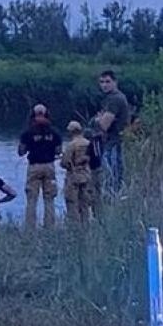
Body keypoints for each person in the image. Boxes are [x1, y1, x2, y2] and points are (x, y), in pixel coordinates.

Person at [17, 103, 60, 228]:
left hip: (34, 167)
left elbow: (21, 152)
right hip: (49, 166)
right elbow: (58, 151)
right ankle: (50, 227)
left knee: (32, 199)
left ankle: (30, 228)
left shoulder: (28, 132)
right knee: (49, 199)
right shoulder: (54, 132)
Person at [93, 69, 132, 197]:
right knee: (112, 177)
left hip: (113, 143)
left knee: (111, 179)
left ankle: (111, 202)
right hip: (113, 142)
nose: (104, 85)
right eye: (102, 82)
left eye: (108, 82)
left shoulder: (115, 99)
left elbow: (104, 125)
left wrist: (98, 119)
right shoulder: (112, 98)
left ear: (115, 82)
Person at [60, 120, 95, 222]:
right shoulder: (88, 143)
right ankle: (85, 224)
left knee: (72, 202)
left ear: (72, 131)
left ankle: (75, 226)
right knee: (84, 203)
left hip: (74, 177)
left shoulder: (71, 145)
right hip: (87, 176)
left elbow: (65, 162)